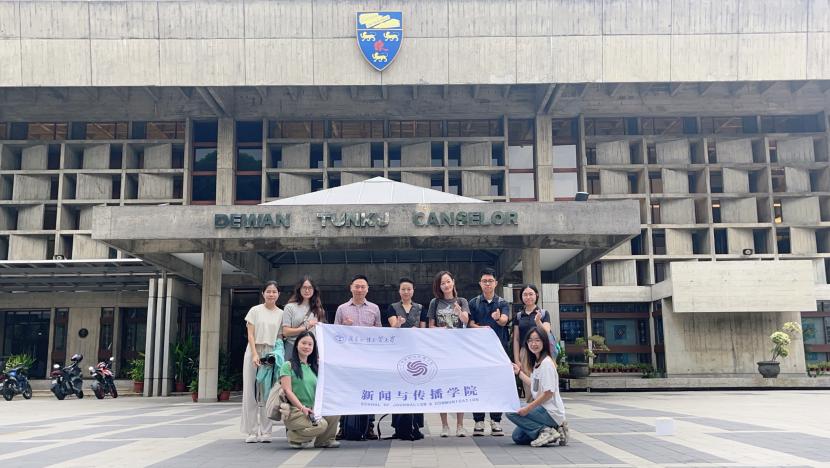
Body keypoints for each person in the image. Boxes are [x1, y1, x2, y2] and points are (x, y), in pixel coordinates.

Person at [334, 274, 381, 440]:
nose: (360, 289)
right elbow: (334, 334)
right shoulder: (342, 309)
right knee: (346, 390)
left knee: (369, 391)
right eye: (357, 286)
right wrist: (344, 326)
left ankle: (369, 427)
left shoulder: (374, 308)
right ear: (351, 288)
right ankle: (343, 426)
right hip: (348, 358)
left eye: (363, 287)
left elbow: (380, 333)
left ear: (367, 289)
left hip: (368, 358)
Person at [506, 326, 569, 447]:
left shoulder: (546, 364)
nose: (533, 344)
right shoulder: (537, 362)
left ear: (544, 342)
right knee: (518, 437)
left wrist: (528, 409)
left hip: (550, 411)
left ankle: (546, 431)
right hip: (543, 409)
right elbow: (534, 385)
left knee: (511, 411)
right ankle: (557, 428)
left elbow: (548, 393)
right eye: (530, 340)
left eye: (537, 340)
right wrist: (519, 373)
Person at [426, 270, 470, 437]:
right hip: (441, 351)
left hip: (459, 350)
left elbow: (466, 321)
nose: (445, 285)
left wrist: (459, 312)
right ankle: (444, 426)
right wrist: (440, 330)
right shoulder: (435, 302)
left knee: (459, 386)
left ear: (453, 282)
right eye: (442, 283)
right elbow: (430, 326)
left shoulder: (462, 301)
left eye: (447, 281)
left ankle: (460, 426)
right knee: (442, 386)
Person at [467, 267, 510, 437]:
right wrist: (481, 329)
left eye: (490, 281)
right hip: (477, 352)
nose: (487, 284)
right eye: (484, 281)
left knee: (496, 386)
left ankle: (496, 420)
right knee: (478, 385)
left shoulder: (502, 303)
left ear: (496, 283)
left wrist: (498, 318)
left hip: (498, 352)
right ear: (480, 283)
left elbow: (504, 321)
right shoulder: (473, 303)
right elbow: (469, 324)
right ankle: (478, 420)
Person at [279, 331, 340, 449]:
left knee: (334, 412)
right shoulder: (287, 365)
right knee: (321, 425)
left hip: (313, 409)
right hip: (296, 411)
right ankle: (294, 436)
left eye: (310, 344)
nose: (306, 346)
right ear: (297, 344)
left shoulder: (314, 367)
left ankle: (324, 441)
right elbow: (287, 391)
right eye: (303, 343)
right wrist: (302, 408)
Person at [241, 281, 284, 443]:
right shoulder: (255, 310)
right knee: (250, 392)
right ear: (263, 293)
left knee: (267, 392)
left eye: (274, 291)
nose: (271, 294)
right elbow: (250, 335)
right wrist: (254, 354)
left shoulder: (281, 314)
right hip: (254, 350)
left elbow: (280, 337)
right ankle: (251, 431)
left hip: (271, 353)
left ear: (278, 294)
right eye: (268, 291)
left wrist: (277, 356)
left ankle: (266, 431)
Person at [387, 277, 425, 440]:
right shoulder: (392, 307)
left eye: (409, 289)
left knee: (417, 388)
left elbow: (424, 330)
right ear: (399, 291)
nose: (406, 292)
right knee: (399, 389)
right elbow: (392, 327)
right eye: (403, 289)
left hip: (417, 354)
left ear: (413, 291)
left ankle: (416, 426)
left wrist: (419, 331)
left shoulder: (420, 308)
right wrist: (399, 324)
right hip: (398, 353)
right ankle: (399, 427)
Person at [282, 276, 326, 360]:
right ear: (299, 289)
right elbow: (286, 332)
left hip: (310, 350)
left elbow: (320, 334)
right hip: (292, 347)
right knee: (290, 368)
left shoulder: (319, 310)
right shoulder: (290, 307)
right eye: (304, 287)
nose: (307, 290)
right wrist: (306, 327)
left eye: (310, 288)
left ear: (314, 290)